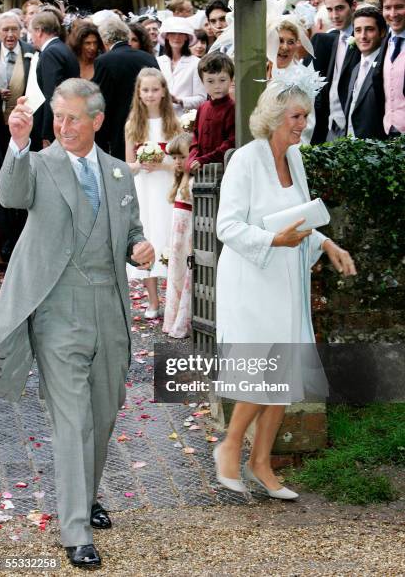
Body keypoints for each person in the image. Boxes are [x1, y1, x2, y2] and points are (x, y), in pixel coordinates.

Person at [0, 78, 155, 568]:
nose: (63, 126)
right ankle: (75, 530)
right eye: (58, 117)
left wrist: (140, 247)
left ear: (97, 121)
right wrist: (18, 141)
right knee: (72, 421)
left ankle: (84, 498)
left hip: (109, 307)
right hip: (56, 310)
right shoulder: (38, 165)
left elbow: (131, 229)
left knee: (104, 413)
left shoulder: (119, 173)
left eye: (73, 118)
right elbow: (10, 195)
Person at [213, 75, 356, 498]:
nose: (303, 125)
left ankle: (261, 463)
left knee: (283, 370)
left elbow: (301, 221)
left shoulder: (295, 160)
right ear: (275, 117)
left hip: (286, 280)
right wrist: (273, 240)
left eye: (306, 116)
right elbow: (226, 226)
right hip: (251, 281)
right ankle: (231, 446)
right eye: (297, 116)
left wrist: (328, 243)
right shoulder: (245, 159)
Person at [125, 67, 181, 318]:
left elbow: (181, 161)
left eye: (154, 90)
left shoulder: (174, 124)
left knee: (168, 237)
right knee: (149, 237)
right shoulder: (132, 125)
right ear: (138, 92)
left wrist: (163, 164)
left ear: (163, 92)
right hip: (145, 189)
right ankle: (153, 300)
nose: (149, 94)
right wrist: (140, 165)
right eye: (145, 90)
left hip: (166, 186)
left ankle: (174, 300)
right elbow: (128, 165)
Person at [93, 18, 159, 160]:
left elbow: (101, 101)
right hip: (151, 123)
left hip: (120, 129)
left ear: (105, 40)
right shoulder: (148, 57)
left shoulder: (104, 61)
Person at [0, 11, 34, 263]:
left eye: (14, 29)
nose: (10, 35)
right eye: (5, 30)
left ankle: (19, 244)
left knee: (19, 181)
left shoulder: (31, 53)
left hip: (22, 130)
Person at [307, 0, 360, 143]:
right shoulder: (330, 40)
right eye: (329, 10)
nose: (334, 15)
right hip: (330, 126)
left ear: (354, 6)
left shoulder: (364, 40)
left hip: (355, 127)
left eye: (339, 8)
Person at [30, 11, 80, 149]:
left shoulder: (50, 53)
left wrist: (48, 134)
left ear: (39, 31)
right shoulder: (63, 48)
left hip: (59, 126)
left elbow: (52, 94)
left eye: (31, 32)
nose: (31, 37)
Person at [162, 132, 194, 338]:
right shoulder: (179, 182)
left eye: (182, 157)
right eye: (174, 158)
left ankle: (184, 321)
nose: (178, 162)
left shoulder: (192, 182)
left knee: (186, 275)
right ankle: (173, 320)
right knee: (176, 275)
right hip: (178, 241)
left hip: (188, 239)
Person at [186, 52, 235, 173]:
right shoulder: (202, 107)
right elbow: (195, 139)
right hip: (202, 172)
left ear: (231, 79)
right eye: (210, 81)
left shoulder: (232, 108)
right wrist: (192, 159)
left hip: (224, 170)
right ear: (202, 82)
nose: (217, 86)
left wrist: (205, 160)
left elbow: (231, 143)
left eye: (222, 80)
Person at [345, 7, 387, 140]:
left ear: (382, 32)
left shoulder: (386, 66)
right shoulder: (356, 68)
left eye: (369, 29)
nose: (363, 36)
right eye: (358, 30)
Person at [374, 0, 405, 137]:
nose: (393, 14)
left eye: (399, 7)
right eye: (387, 8)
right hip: (388, 132)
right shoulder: (383, 42)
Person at [157, 16, 207, 116]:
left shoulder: (196, 63)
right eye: (173, 33)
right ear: (166, 36)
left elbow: (202, 98)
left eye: (181, 34)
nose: (177, 37)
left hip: (185, 122)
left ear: (186, 37)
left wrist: (179, 100)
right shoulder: (158, 61)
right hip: (161, 119)